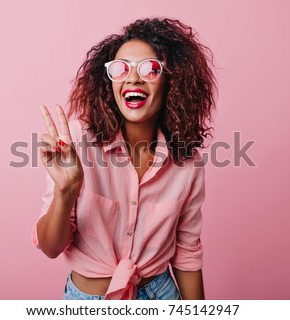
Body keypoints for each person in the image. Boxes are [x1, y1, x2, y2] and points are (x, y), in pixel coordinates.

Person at [32, 17, 217, 300]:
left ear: (171, 80)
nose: (133, 77)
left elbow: (187, 250)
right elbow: (51, 247)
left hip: (160, 295)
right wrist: (65, 191)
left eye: (149, 69)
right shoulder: (76, 142)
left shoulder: (187, 161)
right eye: (121, 69)